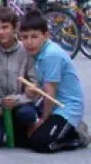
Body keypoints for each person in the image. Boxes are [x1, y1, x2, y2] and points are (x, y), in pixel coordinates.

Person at [20, 10, 89, 153]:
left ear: (45, 36)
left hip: (66, 107)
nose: (29, 42)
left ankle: (77, 136)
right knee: (23, 138)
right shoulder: (34, 52)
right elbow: (39, 86)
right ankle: (61, 130)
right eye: (25, 37)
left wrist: (43, 121)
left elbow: (50, 92)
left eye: (34, 37)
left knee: (41, 144)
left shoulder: (51, 55)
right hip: (48, 103)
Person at [0, 7, 38, 148]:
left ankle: (22, 129)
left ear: (15, 27)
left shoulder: (25, 51)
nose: (1, 32)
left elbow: (34, 85)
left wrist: (18, 100)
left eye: (5, 27)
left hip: (20, 104)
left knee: (26, 117)